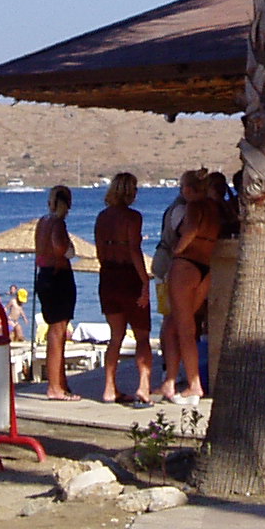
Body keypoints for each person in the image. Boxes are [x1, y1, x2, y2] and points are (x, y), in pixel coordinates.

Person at [94, 172, 153, 406]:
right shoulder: (133, 217)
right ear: (129, 191)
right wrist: (145, 281)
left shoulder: (102, 217)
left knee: (115, 336)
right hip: (129, 276)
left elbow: (100, 252)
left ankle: (109, 388)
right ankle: (143, 386)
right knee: (142, 335)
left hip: (108, 276)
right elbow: (134, 250)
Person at [162, 171, 217, 401]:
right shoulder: (214, 207)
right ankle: (170, 381)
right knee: (175, 326)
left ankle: (194, 384)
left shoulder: (194, 207)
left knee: (184, 328)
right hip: (205, 267)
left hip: (186, 265)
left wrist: (177, 251)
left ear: (187, 189)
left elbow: (191, 230)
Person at [34, 185, 78, 400]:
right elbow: (62, 250)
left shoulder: (42, 222)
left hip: (44, 275)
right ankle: (54, 386)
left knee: (56, 330)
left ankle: (60, 382)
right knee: (57, 332)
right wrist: (70, 247)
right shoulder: (57, 224)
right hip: (57, 276)